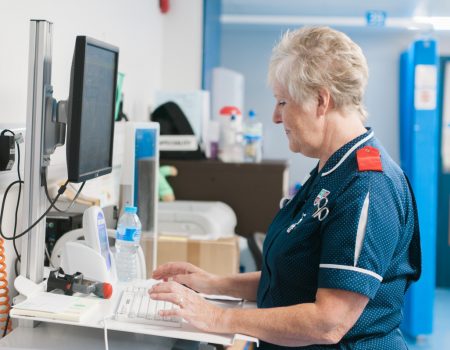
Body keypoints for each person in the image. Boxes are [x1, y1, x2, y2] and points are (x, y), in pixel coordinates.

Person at [149, 26, 421, 349]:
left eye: (283, 102)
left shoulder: (367, 188)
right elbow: (293, 280)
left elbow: (328, 322)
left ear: (321, 100)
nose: (276, 117)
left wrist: (217, 318)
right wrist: (214, 284)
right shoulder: (331, 169)